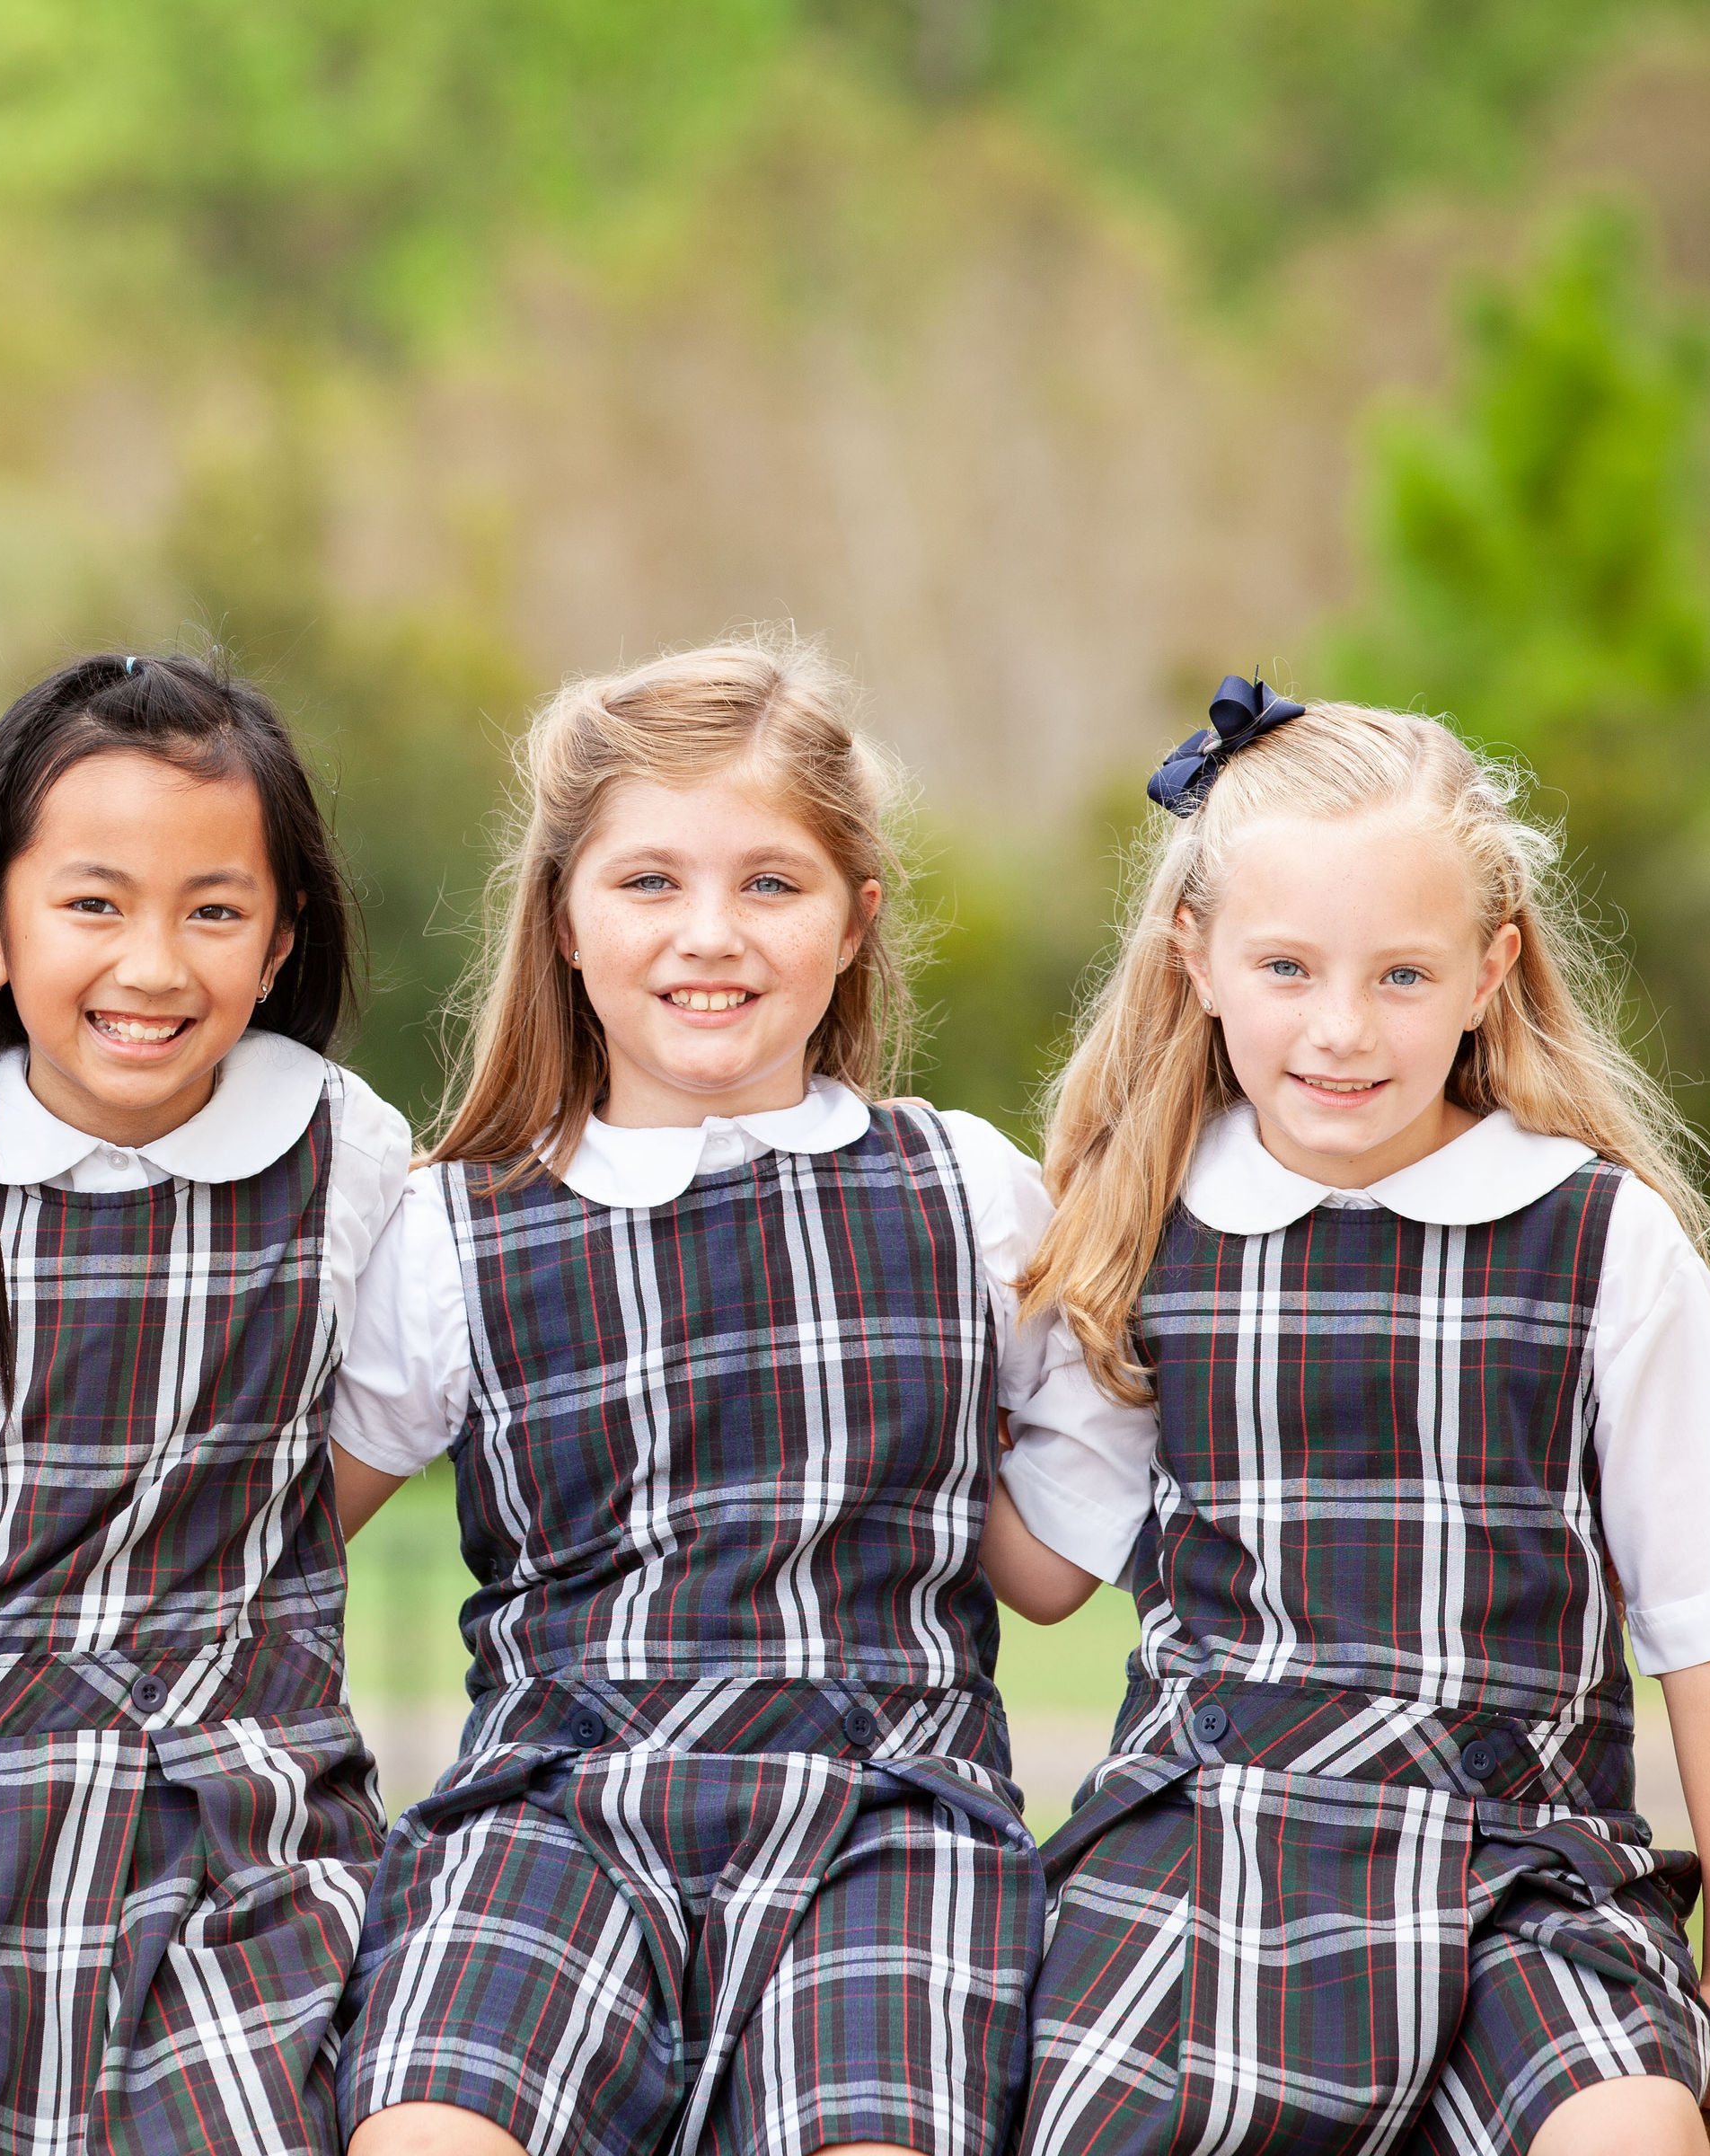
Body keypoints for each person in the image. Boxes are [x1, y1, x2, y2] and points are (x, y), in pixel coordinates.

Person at [322, 639, 1151, 2156]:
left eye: (772, 884)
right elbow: (274, 1535)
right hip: (552, 1813)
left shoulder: (961, 1191)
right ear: (563, 919)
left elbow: (1043, 1573)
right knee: (429, 2134)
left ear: (856, 926)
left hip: (887, 1820)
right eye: (648, 883)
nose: (712, 933)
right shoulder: (457, 1230)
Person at [1004, 681, 1710, 2156]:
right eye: (1287, 966)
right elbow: (1047, 1565)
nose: (1341, 1029)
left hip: (1518, 1865)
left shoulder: (1596, 1240)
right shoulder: (1146, 1223)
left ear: (1488, 972)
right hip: (1208, 1850)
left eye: (1401, 974)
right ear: (1196, 957)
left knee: (1633, 2134)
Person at [0, 652, 413, 2154]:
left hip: (238, 1793)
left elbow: (353, 1452)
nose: (154, 966)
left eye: (215, 910)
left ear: (280, 936)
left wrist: (221, 1584)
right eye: (94, 904)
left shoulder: (346, 1153)